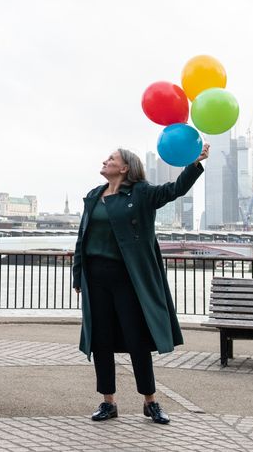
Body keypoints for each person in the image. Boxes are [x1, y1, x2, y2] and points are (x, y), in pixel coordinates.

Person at [72, 144, 209, 424]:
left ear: (125, 168)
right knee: (101, 340)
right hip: (95, 277)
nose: (105, 160)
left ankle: (151, 401)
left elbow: (175, 189)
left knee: (137, 339)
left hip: (128, 278)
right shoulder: (93, 196)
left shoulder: (142, 193)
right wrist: (77, 275)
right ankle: (108, 402)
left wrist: (194, 163)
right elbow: (81, 239)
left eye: (111, 158)